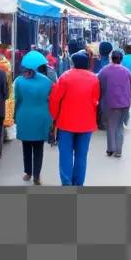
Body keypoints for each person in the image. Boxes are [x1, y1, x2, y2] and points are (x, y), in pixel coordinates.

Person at [48, 50, 101, 186]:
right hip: (86, 124)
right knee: (81, 156)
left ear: (73, 63)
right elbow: (96, 100)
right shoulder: (94, 78)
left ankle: (67, 183)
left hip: (66, 123)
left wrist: (54, 117)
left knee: (65, 155)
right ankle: (78, 184)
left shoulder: (65, 77)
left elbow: (54, 99)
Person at [14, 50, 53, 184]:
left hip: (24, 115)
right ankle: (37, 175)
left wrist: (14, 114)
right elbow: (50, 98)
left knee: (26, 146)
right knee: (38, 147)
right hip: (42, 116)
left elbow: (17, 99)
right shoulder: (47, 81)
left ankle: (28, 172)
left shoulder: (19, 81)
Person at [97, 49, 131, 157]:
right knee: (119, 126)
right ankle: (118, 150)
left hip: (110, 103)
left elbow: (97, 83)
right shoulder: (126, 71)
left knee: (111, 125)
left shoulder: (104, 70)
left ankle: (111, 149)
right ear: (121, 59)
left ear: (111, 58)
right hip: (125, 103)